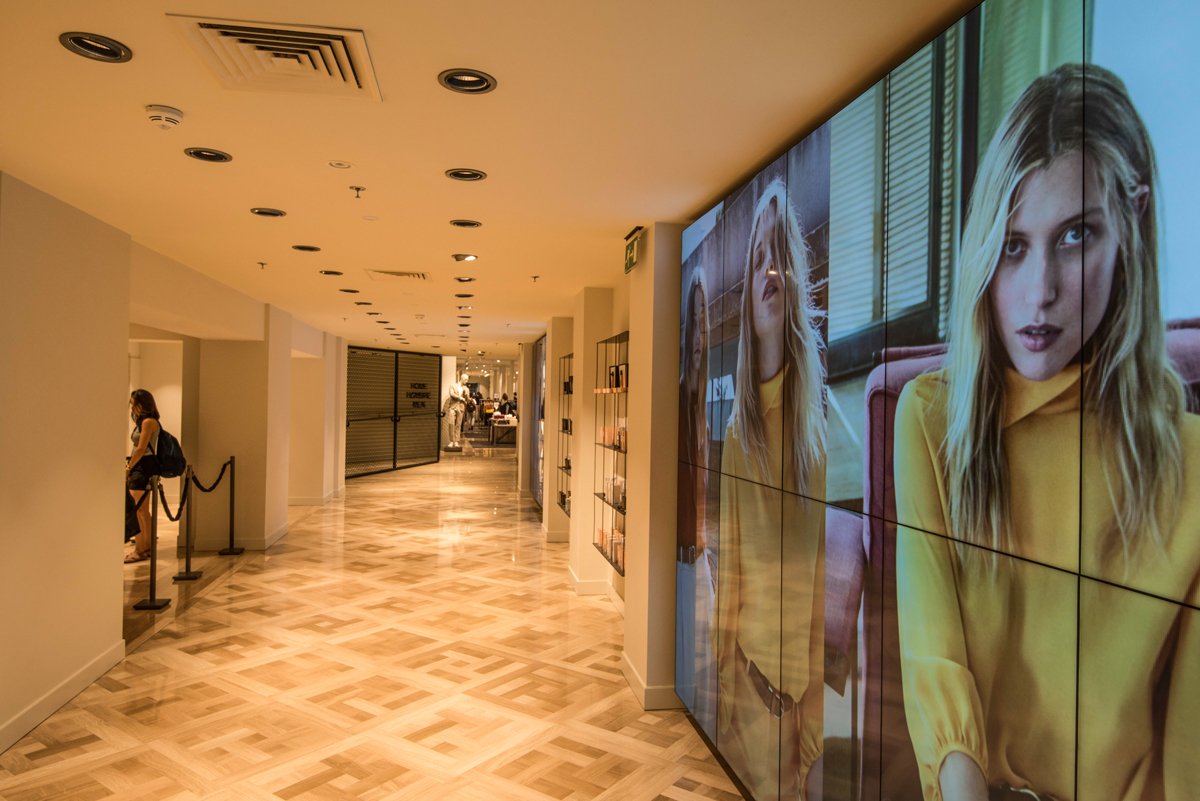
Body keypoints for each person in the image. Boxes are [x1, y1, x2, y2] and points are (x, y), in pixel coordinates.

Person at [894, 63, 1200, 801]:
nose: (1041, 292)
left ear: (1130, 226)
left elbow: (1188, 759)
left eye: (1076, 235)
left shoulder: (1192, 464)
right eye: (1013, 244)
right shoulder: (932, 419)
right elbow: (935, 663)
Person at [718, 179, 826, 800]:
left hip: (796, 712)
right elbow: (730, 574)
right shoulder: (739, 433)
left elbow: (817, 585)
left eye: (781, 254)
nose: (769, 271)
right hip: (749, 695)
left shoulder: (815, 429)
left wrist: (810, 737)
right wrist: (723, 695)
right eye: (759, 257)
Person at [677, 268, 718, 735]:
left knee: (707, 656)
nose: (702, 333)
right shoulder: (680, 397)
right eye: (697, 320)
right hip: (683, 554)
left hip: (701, 553)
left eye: (706, 321)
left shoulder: (703, 401)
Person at [125, 389, 162, 562]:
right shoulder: (146, 421)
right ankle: (146, 547)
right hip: (144, 466)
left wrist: (129, 467)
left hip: (142, 467)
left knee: (136, 509)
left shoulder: (148, 422)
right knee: (143, 510)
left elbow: (141, 448)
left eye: (134, 404)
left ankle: (140, 549)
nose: (132, 408)